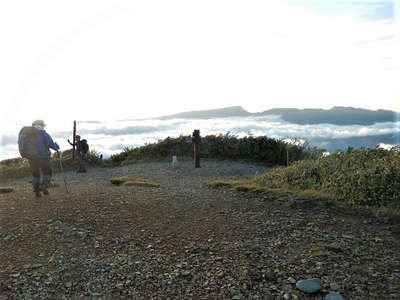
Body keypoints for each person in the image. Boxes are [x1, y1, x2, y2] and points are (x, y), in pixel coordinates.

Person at [18, 120, 60, 197]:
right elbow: (50, 143)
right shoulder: (43, 133)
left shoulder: (27, 133)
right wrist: (56, 147)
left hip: (31, 157)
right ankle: (43, 186)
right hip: (44, 157)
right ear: (41, 125)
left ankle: (37, 191)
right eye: (43, 125)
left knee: (35, 174)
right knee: (47, 172)